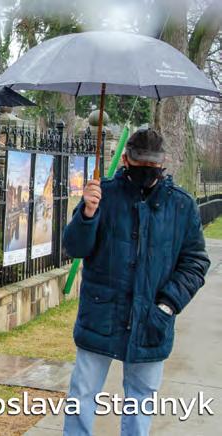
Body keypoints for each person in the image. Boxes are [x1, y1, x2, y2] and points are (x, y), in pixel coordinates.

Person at [62, 128, 210, 436]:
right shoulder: (102, 194)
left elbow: (195, 261)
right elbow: (75, 248)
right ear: (126, 159)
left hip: (152, 320)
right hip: (100, 314)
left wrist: (168, 305)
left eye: (152, 162)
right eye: (139, 160)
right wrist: (87, 214)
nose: (146, 167)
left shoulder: (181, 205)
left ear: (164, 162)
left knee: (141, 399)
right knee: (83, 394)